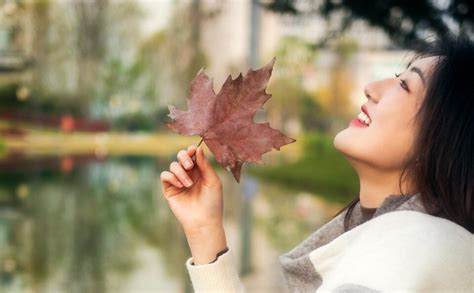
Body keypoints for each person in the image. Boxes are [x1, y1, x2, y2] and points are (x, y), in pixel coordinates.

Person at [160, 35, 473, 292]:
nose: (372, 88)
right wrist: (204, 229)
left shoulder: (403, 255)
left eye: (404, 85)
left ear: (447, 135)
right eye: (395, 77)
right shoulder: (413, 244)